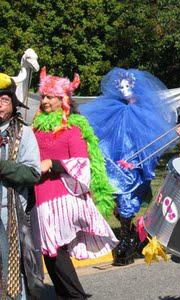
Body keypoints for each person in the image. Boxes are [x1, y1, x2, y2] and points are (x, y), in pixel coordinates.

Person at [32, 67, 118, 299]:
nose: (45, 101)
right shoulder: (36, 127)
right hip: (39, 197)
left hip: (62, 198)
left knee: (56, 252)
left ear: (63, 100)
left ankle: (76, 296)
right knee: (50, 255)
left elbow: (82, 164)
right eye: (43, 96)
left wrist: (53, 163)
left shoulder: (73, 128)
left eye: (50, 97)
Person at [80, 68, 177, 266]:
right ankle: (131, 235)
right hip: (114, 163)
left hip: (132, 165)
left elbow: (150, 142)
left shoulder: (143, 114)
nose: (124, 90)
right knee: (112, 194)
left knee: (127, 197)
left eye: (128, 86)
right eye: (120, 86)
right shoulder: (110, 110)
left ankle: (125, 240)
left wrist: (138, 162)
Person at [0, 73, 43, 299]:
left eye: (4, 100)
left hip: (10, 214)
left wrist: (3, 167)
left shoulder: (24, 132)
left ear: (13, 103)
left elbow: (33, 173)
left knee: (12, 271)